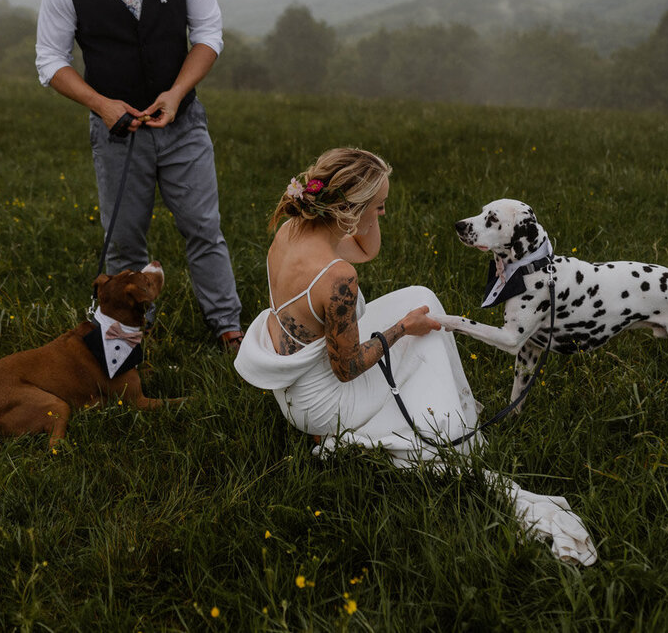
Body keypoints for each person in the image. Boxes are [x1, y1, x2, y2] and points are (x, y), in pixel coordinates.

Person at [234, 148, 598, 565]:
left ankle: (441, 402)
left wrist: (366, 215)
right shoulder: (337, 278)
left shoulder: (292, 230)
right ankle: (452, 433)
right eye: (379, 206)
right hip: (321, 404)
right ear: (352, 209)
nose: (384, 213)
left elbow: (366, 250)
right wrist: (403, 329)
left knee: (423, 300)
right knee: (422, 330)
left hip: (292, 388)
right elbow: (348, 367)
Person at [35, 0, 244, 353]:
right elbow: (49, 59)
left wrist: (176, 92)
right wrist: (102, 105)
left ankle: (228, 328)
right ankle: (127, 340)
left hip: (183, 123)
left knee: (203, 229)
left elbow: (209, 32)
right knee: (124, 244)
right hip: (116, 134)